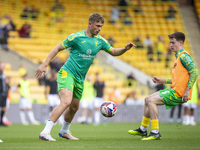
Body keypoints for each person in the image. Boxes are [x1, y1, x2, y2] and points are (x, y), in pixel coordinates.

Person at [35, 13, 136, 141]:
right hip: (67, 73)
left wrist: (125, 49)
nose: (99, 29)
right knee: (66, 101)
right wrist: (45, 64)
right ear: (90, 23)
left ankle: (64, 131)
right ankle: (45, 131)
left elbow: (114, 51)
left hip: (80, 78)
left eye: (101, 26)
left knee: (75, 107)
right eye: (97, 26)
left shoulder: (100, 41)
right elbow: (57, 48)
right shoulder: (76, 37)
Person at [128, 32, 198, 140]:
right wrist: (162, 80)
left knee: (151, 101)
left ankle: (155, 132)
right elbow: (177, 80)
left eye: (173, 43)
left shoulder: (184, 56)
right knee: (147, 99)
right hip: (175, 90)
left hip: (179, 93)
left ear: (180, 43)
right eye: (170, 43)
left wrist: (187, 90)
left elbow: (194, 72)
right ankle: (143, 129)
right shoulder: (177, 57)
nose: (170, 45)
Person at [0, 62, 8, 126]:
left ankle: (1, 121)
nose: (3, 67)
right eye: (2, 66)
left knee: (4, 108)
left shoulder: (2, 73)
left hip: (4, 93)